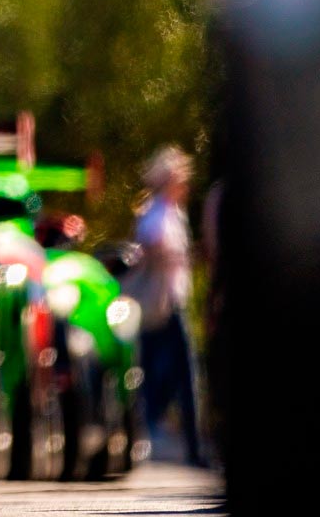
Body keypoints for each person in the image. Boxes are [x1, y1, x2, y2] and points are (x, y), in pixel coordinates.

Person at [127, 146, 202, 465]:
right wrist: (179, 257)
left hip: (172, 300)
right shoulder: (155, 213)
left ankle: (148, 430)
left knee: (168, 375)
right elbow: (149, 247)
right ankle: (190, 447)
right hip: (161, 303)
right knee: (181, 374)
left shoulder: (174, 212)